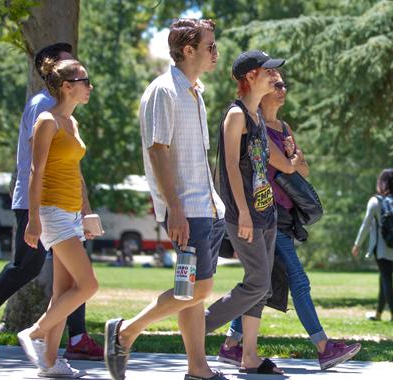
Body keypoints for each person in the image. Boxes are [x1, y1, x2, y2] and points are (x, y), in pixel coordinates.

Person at [0, 43, 103, 361]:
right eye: (71, 68)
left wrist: (86, 210)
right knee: (29, 266)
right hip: (36, 201)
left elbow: (70, 167)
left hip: (63, 206)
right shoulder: (44, 108)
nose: (83, 78)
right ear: (56, 75)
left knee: (64, 279)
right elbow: (39, 166)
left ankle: (60, 350)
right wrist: (35, 216)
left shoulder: (69, 117)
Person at [104, 18, 229, 380]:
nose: (215, 53)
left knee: (191, 291)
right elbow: (158, 151)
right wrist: (175, 209)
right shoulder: (164, 90)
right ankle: (126, 331)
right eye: (210, 46)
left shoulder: (195, 91)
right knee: (199, 287)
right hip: (186, 210)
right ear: (188, 49)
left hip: (206, 206)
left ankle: (198, 369)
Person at [217, 74, 362, 370]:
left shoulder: (283, 128)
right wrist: (289, 163)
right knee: (296, 279)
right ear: (263, 90)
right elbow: (285, 164)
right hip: (264, 215)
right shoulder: (253, 124)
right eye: (277, 85)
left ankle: (231, 345)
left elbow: (302, 168)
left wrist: (292, 163)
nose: (282, 90)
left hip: (283, 218)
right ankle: (323, 347)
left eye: (283, 85)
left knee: (260, 282)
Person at [15, 57, 99, 378]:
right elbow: (35, 172)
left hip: (72, 212)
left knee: (63, 292)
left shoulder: (72, 123)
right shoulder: (46, 121)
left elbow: (75, 172)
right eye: (84, 81)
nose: (89, 87)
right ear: (67, 86)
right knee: (88, 284)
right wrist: (33, 219)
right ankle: (35, 332)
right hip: (51, 213)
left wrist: (87, 212)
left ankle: (49, 363)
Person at [202, 50, 284, 375]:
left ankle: (249, 356)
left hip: (266, 213)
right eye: (268, 72)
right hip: (244, 214)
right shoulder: (236, 115)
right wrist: (245, 214)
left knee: (260, 287)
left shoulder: (257, 116)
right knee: (259, 283)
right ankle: (197, 329)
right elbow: (231, 170)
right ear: (250, 77)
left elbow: (262, 166)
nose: (275, 77)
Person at [352, 169, 393, 322]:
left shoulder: (375, 201)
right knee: (384, 278)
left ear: (381, 183)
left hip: (382, 247)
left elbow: (365, 225)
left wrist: (357, 244)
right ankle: (378, 314)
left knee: (387, 278)